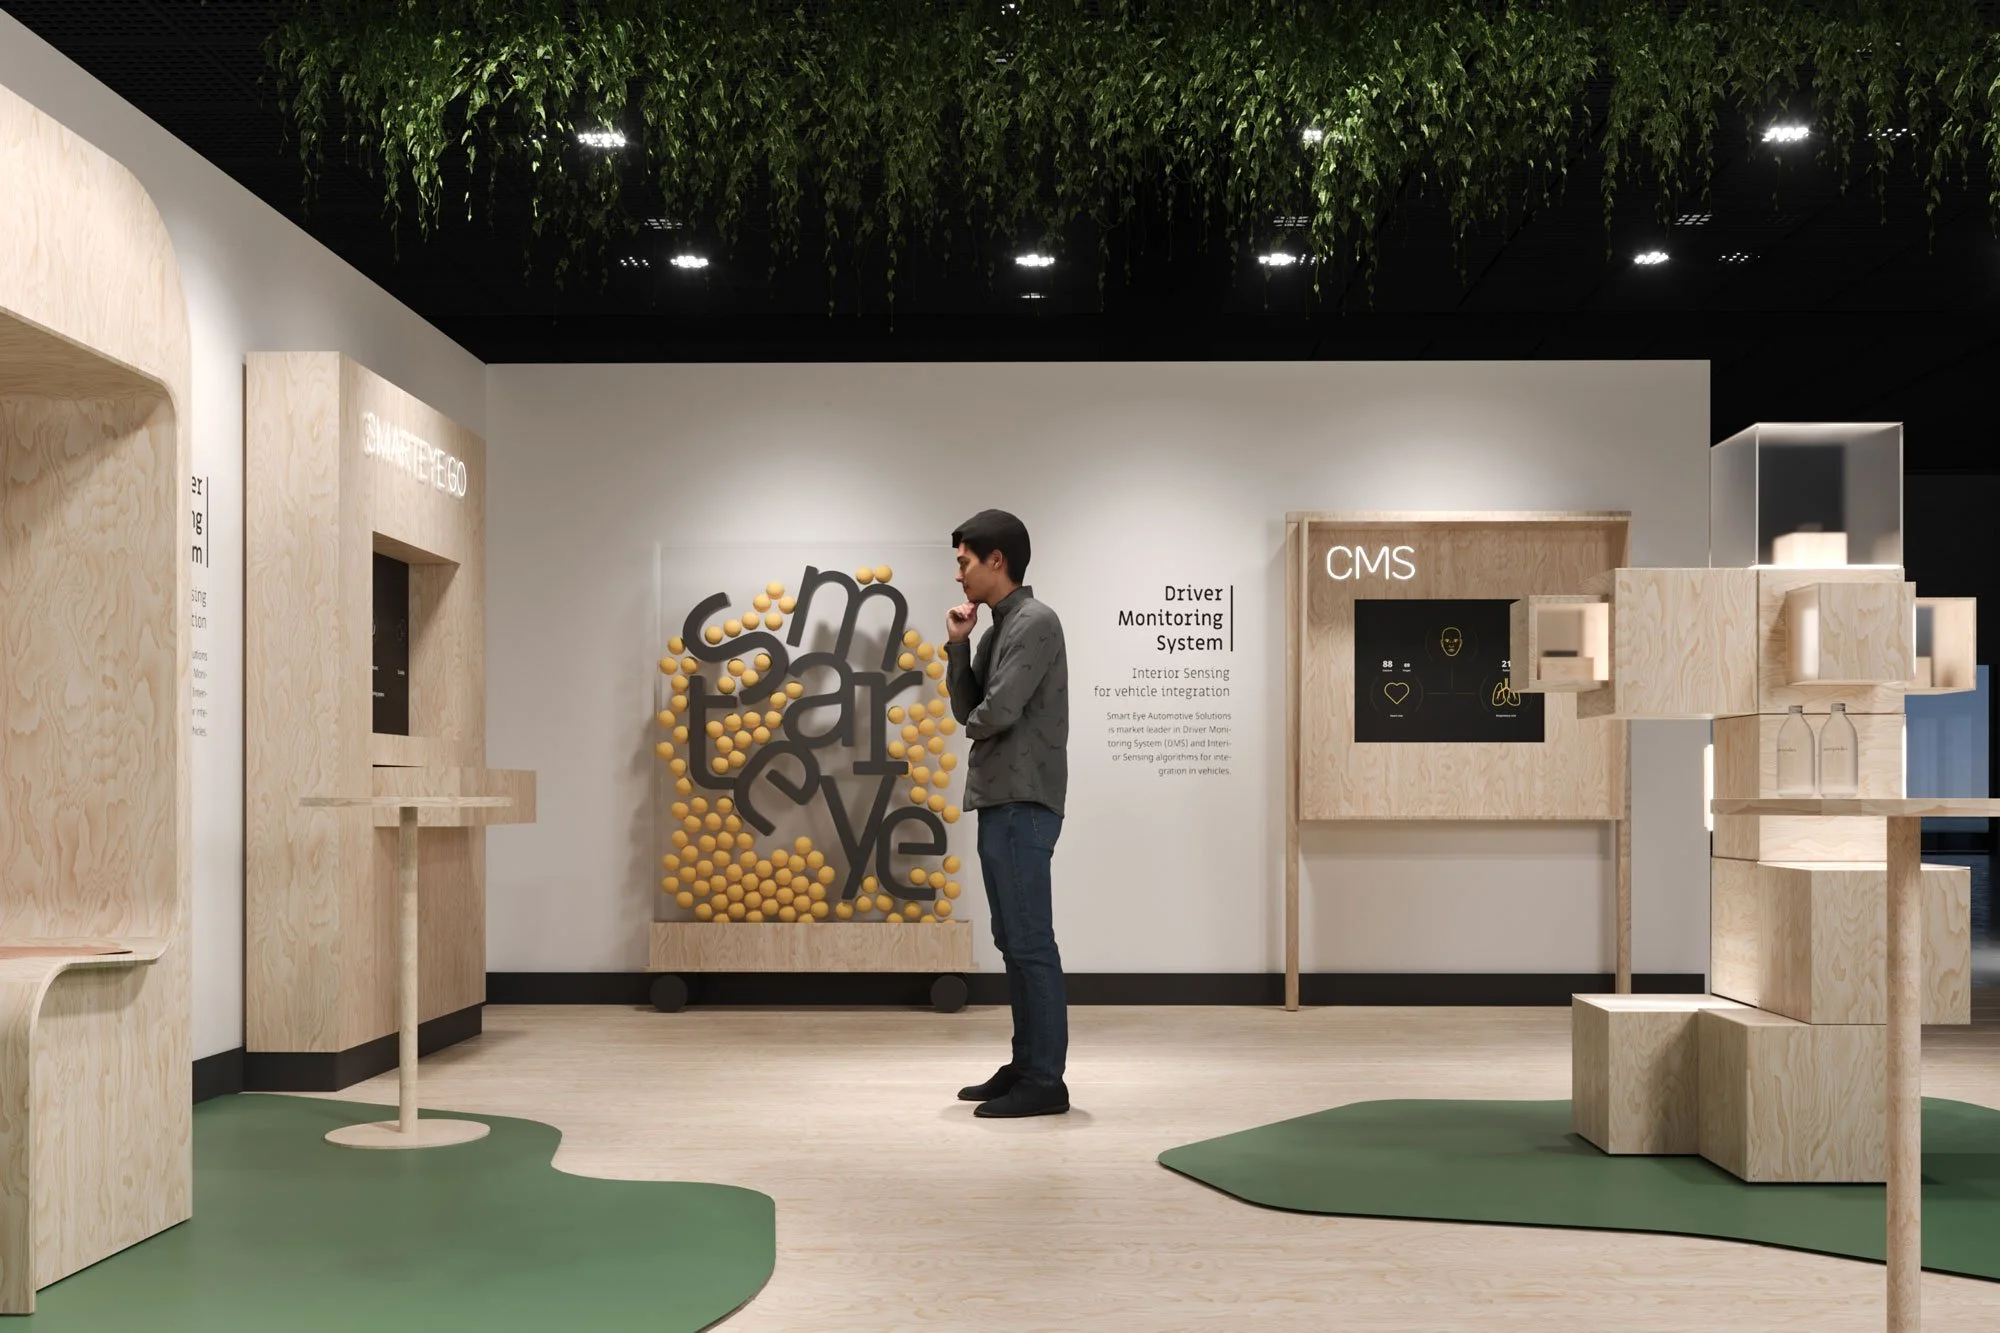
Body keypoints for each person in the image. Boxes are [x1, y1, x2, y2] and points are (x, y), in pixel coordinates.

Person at [944, 509, 1072, 1118]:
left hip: (1024, 803)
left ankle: (1046, 1081)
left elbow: (994, 714)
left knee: (1029, 942)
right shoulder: (997, 630)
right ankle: (1026, 1065)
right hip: (1000, 800)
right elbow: (969, 705)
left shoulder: (1036, 623)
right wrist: (958, 645)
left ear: (998, 560)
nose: (959, 575)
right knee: (1012, 941)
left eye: (965, 562)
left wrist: (975, 723)